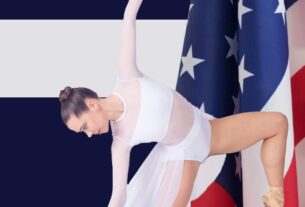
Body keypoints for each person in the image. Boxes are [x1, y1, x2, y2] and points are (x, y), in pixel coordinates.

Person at [59, 0, 288, 206]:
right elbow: (119, 195)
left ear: (91, 104)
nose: (88, 134)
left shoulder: (127, 76)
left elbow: (128, 19)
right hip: (181, 158)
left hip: (208, 131)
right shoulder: (120, 142)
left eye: (84, 127)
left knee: (278, 123)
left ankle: (275, 199)